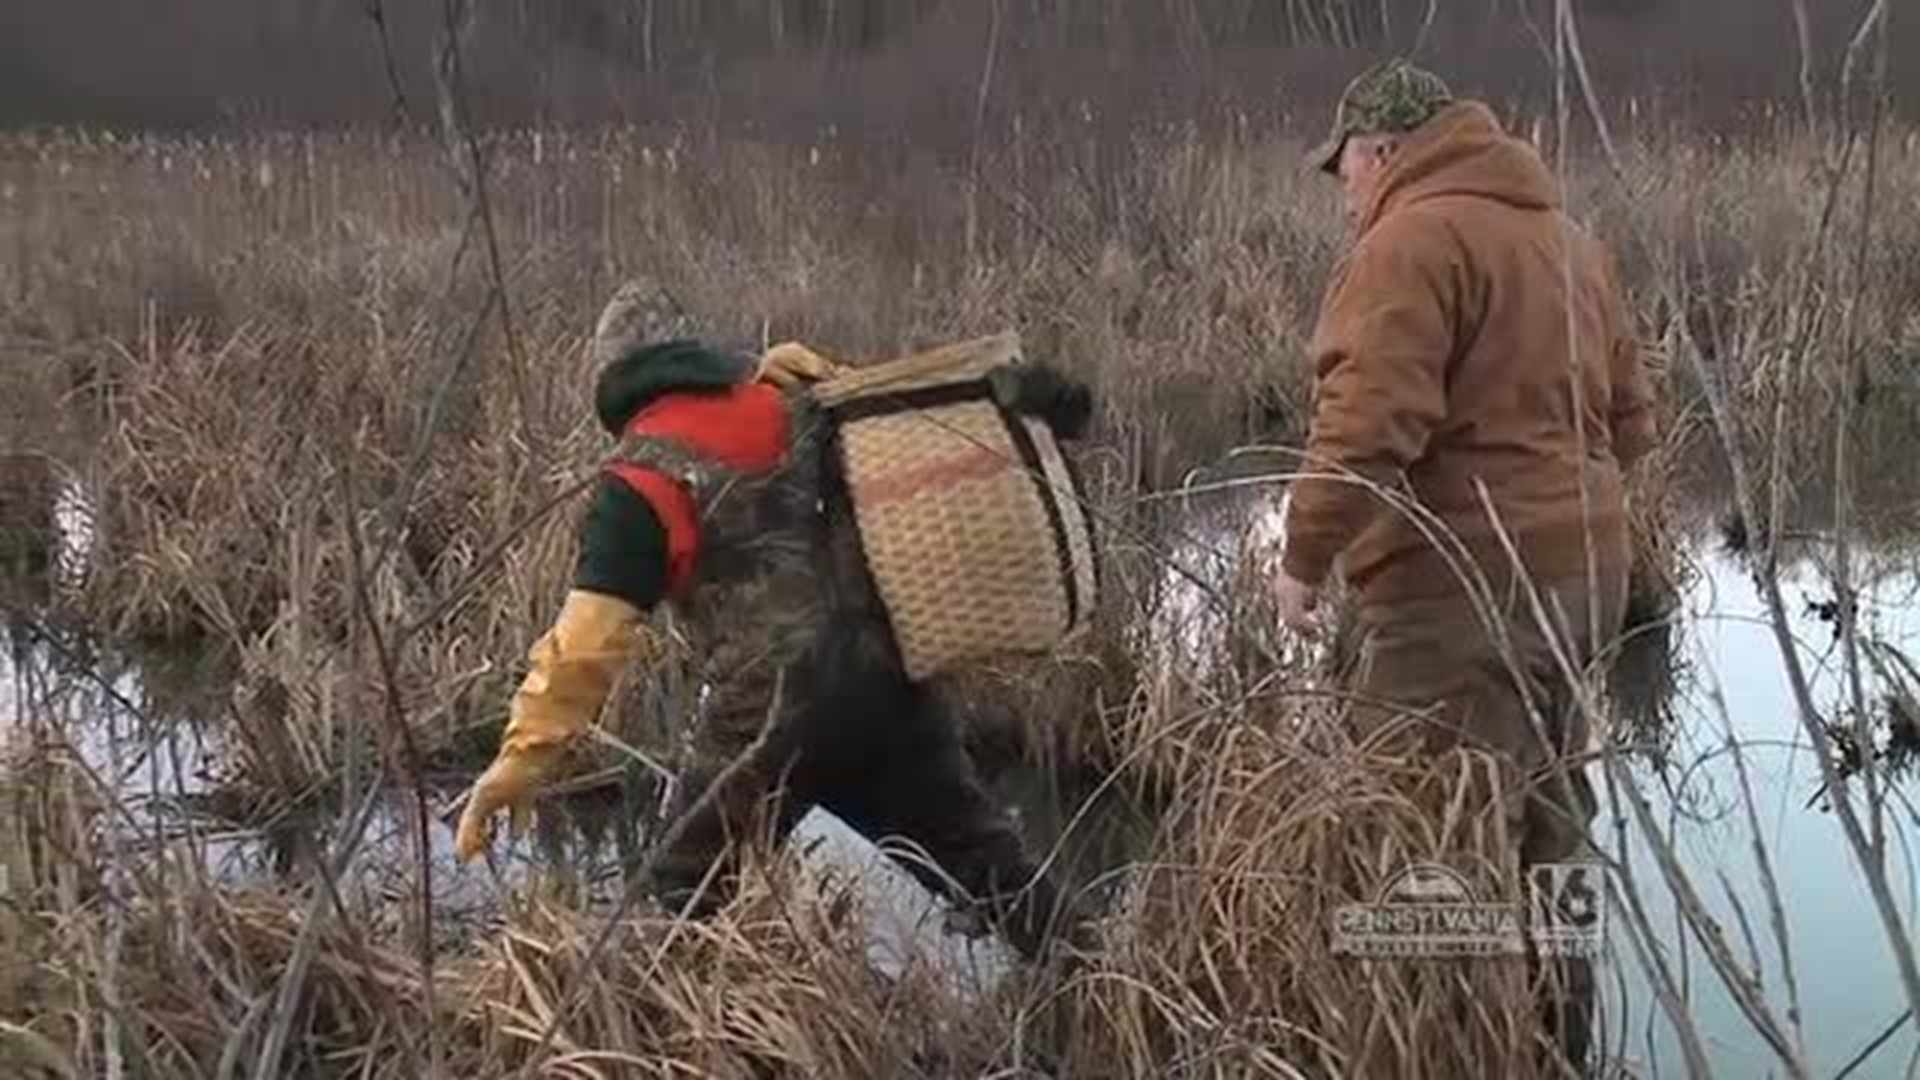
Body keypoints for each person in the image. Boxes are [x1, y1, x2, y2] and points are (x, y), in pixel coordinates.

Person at [452, 281, 1091, 964]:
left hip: (766, 726)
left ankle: (679, 1048)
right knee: (989, 866)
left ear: (613, 381)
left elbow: (584, 647)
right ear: (697, 350)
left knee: (682, 905)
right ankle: (1106, 988)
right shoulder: (802, 403)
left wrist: (518, 764)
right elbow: (932, 421)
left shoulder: (637, 481)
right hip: (893, 685)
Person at [1271, 60, 1657, 1071]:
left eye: (1345, 165)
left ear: (1387, 151)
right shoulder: (1571, 243)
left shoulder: (1410, 241)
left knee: (1420, 851)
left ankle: (1437, 1049)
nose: (1344, 187)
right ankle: (1557, 1046)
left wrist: (1303, 557)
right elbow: (1634, 422)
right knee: (1555, 829)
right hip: (1588, 581)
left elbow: (1366, 430)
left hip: (1462, 596)